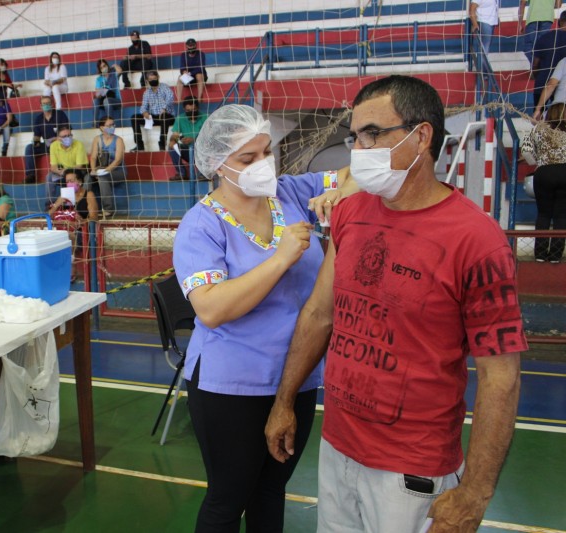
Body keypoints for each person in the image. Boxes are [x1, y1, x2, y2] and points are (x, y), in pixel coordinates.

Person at [265, 75, 526, 533]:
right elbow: (319, 314)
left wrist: (475, 494)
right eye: (354, 136)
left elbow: (499, 378)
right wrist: (284, 400)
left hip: (412, 473)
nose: (358, 149)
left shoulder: (477, 241)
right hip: (338, 449)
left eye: (372, 134)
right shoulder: (350, 213)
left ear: (421, 135)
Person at [172, 104, 354, 532]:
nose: (263, 165)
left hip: (296, 375)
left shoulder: (288, 193)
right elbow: (212, 308)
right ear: (218, 166)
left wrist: (337, 192)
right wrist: (280, 258)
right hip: (231, 383)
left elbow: (356, 174)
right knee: (228, 497)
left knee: (272, 488)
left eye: (267, 152)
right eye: (247, 159)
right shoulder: (201, 225)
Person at [524, 103, 566, 262]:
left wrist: (536, 161)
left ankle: (540, 255)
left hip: (544, 172)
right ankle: (555, 255)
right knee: (562, 216)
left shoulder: (538, 129)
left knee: (543, 213)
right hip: (565, 172)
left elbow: (526, 150)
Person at [47, 168, 99, 280]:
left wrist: (82, 221)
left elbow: (94, 217)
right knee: (57, 236)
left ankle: (71, 268)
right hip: (66, 228)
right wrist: (57, 205)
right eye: (67, 181)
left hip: (83, 230)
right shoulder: (64, 196)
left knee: (68, 237)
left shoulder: (88, 194)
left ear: (79, 181)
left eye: (72, 180)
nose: (69, 183)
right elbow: (49, 215)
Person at [24, 95, 70, 183]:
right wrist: (35, 140)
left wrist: (55, 139)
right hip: (47, 145)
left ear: (52, 104)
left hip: (60, 144)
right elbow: (37, 135)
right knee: (29, 148)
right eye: (44, 104)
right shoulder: (38, 119)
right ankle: (31, 176)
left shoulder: (60, 114)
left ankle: (61, 174)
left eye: (48, 103)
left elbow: (66, 131)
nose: (46, 105)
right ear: (40, 106)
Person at [89, 116, 126, 217]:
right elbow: (93, 157)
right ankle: (87, 208)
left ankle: (108, 208)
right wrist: (93, 170)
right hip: (101, 169)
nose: (112, 127)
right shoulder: (97, 139)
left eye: (113, 125)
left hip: (117, 171)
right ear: (101, 127)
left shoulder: (119, 140)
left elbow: (118, 160)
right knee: (87, 178)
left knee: (103, 178)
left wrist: (104, 171)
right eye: (109, 125)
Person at [131, 71, 175, 152]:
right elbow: (143, 106)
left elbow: (170, 98)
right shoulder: (147, 92)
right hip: (153, 117)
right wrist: (144, 112)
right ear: (147, 81)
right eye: (150, 79)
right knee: (134, 118)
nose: (153, 80)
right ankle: (139, 146)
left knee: (165, 117)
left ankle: (162, 144)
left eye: (154, 78)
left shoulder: (164, 87)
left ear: (158, 77)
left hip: (167, 116)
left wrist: (164, 108)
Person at [531, 12, 566, 109]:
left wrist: (536, 75)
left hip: (542, 83)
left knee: (538, 118)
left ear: (559, 22)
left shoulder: (543, 38)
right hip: (561, 87)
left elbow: (535, 64)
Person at [46, 125, 87, 205]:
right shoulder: (53, 146)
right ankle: (50, 205)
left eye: (69, 135)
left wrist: (66, 171)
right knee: (49, 177)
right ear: (58, 138)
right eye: (64, 136)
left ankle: (82, 205)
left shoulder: (79, 144)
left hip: (77, 172)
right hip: (62, 173)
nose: (68, 138)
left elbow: (79, 166)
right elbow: (53, 167)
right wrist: (59, 171)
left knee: (87, 179)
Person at [169, 97, 207, 180]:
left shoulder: (206, 117)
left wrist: (194, 140)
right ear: (184, 109)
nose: (191, 113)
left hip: (203, 152)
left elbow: (210, 138)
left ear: (198, 108)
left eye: (194, 110)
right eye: (188, 111)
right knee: (172, 147)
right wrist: (172, 140)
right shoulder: (180, 118)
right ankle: (181, 173)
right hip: (188, 151)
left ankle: (204, 174)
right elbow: (175, 135)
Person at [519, 0, 562, 65]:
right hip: (547, 17)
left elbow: (523, 3)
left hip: (533, 17)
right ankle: (539, 68)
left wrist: (520, 23)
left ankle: (533, 67)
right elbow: (558, 5)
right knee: (542, 46)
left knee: (529, 45)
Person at [93, 59, 122, 125]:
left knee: (107, 101)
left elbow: (120, 71)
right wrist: (102, 91)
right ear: (100, 69)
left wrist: (114, 65)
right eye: (101, 67)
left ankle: (110, 123)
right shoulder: (99, 79)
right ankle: (95, 123)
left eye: (104, 65)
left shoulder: (113, 73)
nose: (103, 68)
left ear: (107, 65)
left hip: (116, 100)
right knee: (95, 101)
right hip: (103, 99)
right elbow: (97, 94)